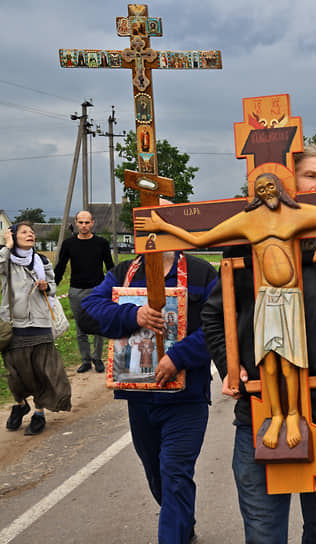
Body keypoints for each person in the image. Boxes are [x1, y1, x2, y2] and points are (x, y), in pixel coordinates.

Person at [136, 167, 316, 451]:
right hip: (266, 299)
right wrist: (162, 224)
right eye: (261, 189)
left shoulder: (296, 215)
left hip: (290, 299)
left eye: (271, 188)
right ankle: (277, 415)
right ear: (254, 193)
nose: (267, 193)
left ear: (281, 189)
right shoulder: (247, 221)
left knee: (289, 361)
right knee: (268, 361)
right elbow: (199, 239)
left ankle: (292, 414)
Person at [201, 145, 316, 543]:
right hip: (259, 412)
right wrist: (230, 364)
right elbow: (215, 314)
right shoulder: (246, 247)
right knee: (263, 532)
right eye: (311, 176)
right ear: (286, 181)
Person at [81, 204, 217, 544]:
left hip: (187, 398)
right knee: (156, 474)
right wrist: (134, 315)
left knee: (175, 474)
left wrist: (178, 357)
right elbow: (89, 309)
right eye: (147, 224)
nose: (155, 230)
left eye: (164, 221)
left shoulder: (202, 273)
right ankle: (183, 522)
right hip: (139, 397)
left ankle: (175, 534)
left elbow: (221, 326)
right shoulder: (124, 273)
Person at [1, 223, 71, 435]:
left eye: (31, 232)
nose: (30, 234)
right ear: (12, 235)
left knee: (41, 372)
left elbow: (53, 287)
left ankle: (39, 413)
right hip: (14, 325)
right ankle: (21, 405)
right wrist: (7, 246)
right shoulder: (6, 261)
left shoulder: (41, 261)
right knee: (15, 375)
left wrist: (46, 287)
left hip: (40, 324)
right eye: (24, 232)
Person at [54, 210, 114, 373]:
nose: (84, 225)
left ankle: (97, 358)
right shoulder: (69, 244)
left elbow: (110, 266)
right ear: (76, 223)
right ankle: (85, 360)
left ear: (93, 223)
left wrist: (115, 286)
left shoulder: (101, 243)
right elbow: (60, 267)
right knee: (81, 327)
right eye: (81, 222)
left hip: (98, 290)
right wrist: (53, 287)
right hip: (76, 290)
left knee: (98, 325)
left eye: (87, 222)